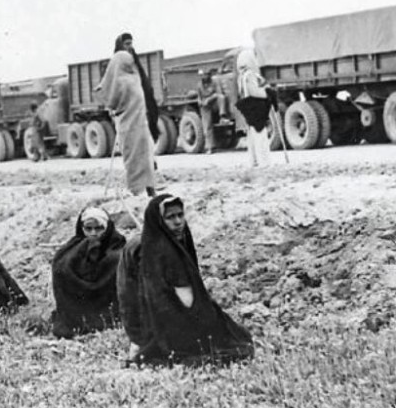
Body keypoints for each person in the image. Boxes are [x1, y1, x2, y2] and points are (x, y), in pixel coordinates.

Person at [117, 194, 254, 367]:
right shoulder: (160, 250)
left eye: (180, 215)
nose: (178, 222)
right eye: (170, 217)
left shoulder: (164, 242)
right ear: (159, 220)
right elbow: (187, 301)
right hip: (167, 323)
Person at [50, 207, 126, 339]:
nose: (93, 233)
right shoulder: (70, 251)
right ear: (81, 228)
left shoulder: (118, 251)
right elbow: (61, 270)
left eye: (99, 228)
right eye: (88, 228)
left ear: (107, 228)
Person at [98, 50, 156, 196]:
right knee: (146, 157)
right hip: (142, 125)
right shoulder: (135, 79)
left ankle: (136, 189)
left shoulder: (120, 81)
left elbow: (110, 101)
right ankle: (150, 188)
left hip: (128, 126)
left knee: (133, 158)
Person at [114, 32, 160, 143]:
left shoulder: (134, 60)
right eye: (126, 44)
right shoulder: (116, 63)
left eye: (131, 43)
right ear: (120, 45)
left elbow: (143, 82)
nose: (130, 46)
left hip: (141, 107)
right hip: (128, 110)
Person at [235, 49, 273, 167]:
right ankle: (264, 162)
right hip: (256, 107)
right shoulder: (249, 75)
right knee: (260, 136)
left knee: (252, 137)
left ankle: (254, 161)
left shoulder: (241, 77)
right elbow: (255, 92)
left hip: (248, 107)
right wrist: (267, 92)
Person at [198, 68, 229, 154]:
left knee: (221, 98)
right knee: (207, 126)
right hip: (205, 106)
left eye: (207, 75)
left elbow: (219, 93)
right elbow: (199, 97)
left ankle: (222, 116)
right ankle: (209, 147)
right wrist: (202, 102)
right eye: (203, 75)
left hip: (214, 102)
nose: (205, 77)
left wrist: (209, 99)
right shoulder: (199, 85)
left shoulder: (214, 82)